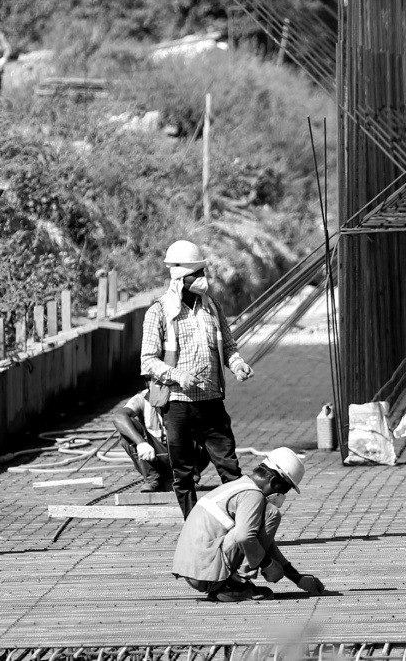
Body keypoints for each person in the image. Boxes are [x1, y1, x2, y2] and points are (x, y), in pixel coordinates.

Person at [140, 239, 255, 519]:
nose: (203, 278)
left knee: (229, 467)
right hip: (177, 404)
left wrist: (237, 364)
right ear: (180, 276)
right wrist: (177, 375)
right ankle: (193, 526)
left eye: (203, 272)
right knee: (183, 473)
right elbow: (148, 361)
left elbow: (229, 346)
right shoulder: (159, 312)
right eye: (196, 274)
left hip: (211, 401)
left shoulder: (212, 307)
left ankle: (239, 522)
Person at [172, 447, 326, 602]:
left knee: (254, 529)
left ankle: (228, 586)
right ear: (273, 482)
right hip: (205, 570)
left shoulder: (240, 485)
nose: (282, 496)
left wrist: (296, 577)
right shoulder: (253, 495)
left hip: (195, 569)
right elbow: (244, 537)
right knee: (271, 513)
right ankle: (235, 586)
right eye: (284, 490)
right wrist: (268, 565)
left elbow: (262, 543)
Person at [112, 389, 212, 492]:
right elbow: (119, 417)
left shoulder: (186, 394)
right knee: (126, 432)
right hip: (158, 455)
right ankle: (153, 478)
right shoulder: (143, 398)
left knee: (208, 428)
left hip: (187, 453)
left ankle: (187, 479)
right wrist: (141, 443)